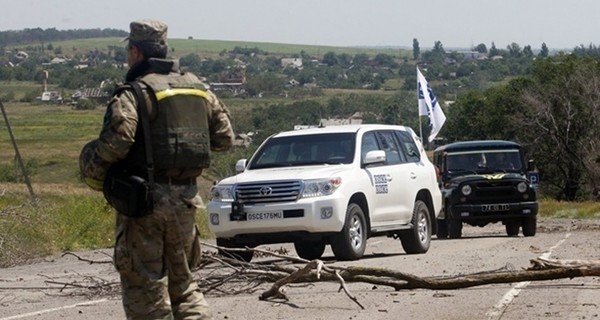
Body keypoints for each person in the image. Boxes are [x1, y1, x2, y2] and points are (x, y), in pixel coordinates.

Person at [80, 19, 234, 320]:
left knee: (146, 290)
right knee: (186, 286)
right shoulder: (198, 88)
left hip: (145, 203)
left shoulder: (134, 92)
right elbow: (224, 138)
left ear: (135, 52)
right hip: (187, 199)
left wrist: (92, 164)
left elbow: (117, 142)